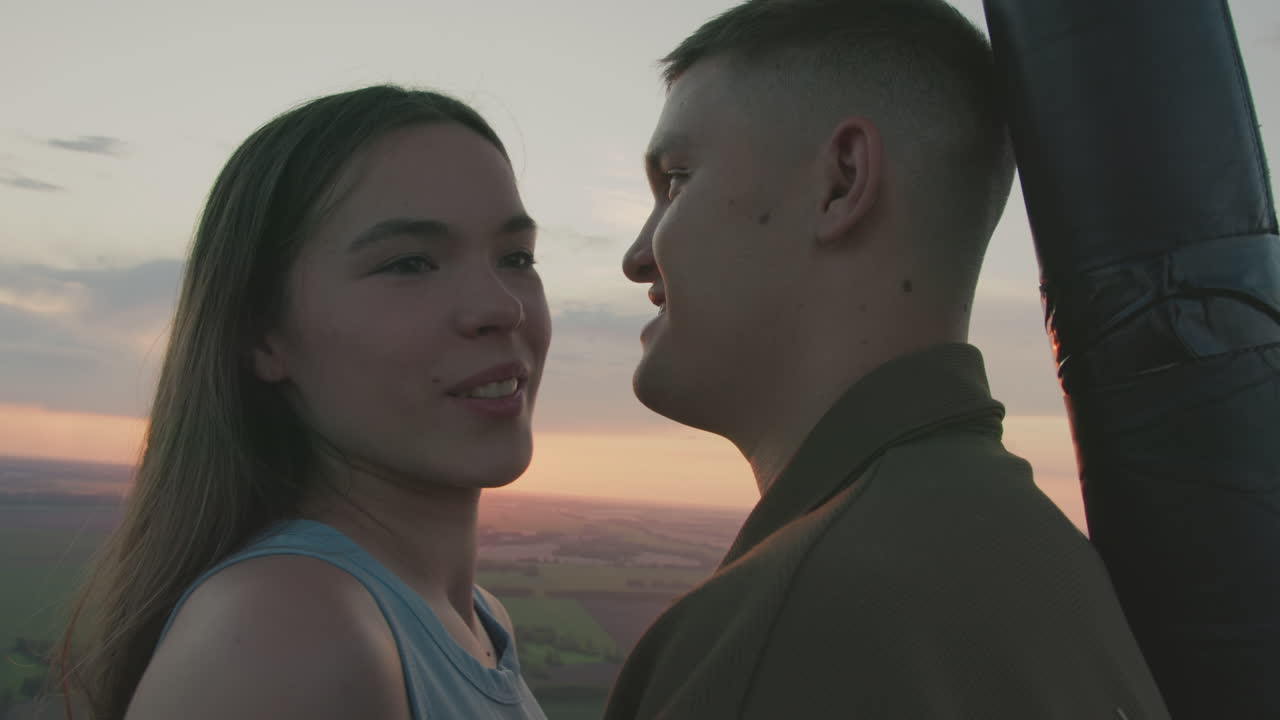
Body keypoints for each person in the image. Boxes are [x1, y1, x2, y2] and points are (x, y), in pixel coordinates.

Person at [608, 0, 1172, 718]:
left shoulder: (797, 627)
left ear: (842, 181)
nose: (636, 256)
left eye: (678, 180)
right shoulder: (1039, 559)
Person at [57, 85, 551, 720]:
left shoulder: (474, 621)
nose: (501, 306)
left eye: (516, 257)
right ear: (264, 335)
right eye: (410, 264)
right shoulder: (287, 630)